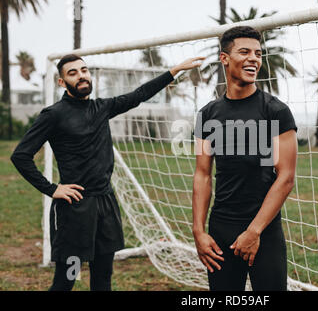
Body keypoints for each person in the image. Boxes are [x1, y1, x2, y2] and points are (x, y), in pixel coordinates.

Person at [10, 53, 204, 291]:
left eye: (84, 70)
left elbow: (138, 95)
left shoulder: (102, 108)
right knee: (68, 279)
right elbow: (20, 156)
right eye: (72, 73)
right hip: (75, 209)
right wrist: (52, 189)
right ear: (62, 82)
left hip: (105, 205)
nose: (81, 76)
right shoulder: (54, 115)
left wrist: (173, 71)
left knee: (103, 278)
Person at [192, 26, 298, 291]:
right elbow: (203, 174)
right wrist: (198, 231)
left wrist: (254, 231)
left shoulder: (275, 111)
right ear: (224, 58)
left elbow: (285, 178)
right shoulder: (207, 115)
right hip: (221, 229)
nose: (254, 58)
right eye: (245, 52)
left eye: (258, 54)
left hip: (264, 230)